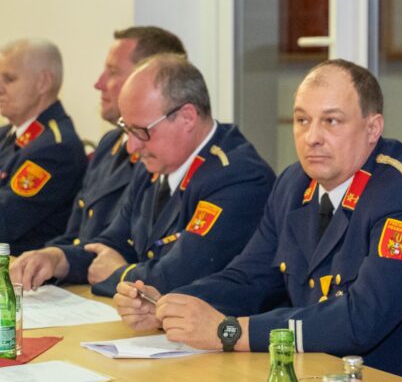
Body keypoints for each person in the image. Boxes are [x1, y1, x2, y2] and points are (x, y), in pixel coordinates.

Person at [113, 60, 402, 382]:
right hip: (320, 368)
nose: (312, 138)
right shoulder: (294, 184)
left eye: (331, 121)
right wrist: (170, 305)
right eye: (302, 120)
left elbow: (359, 319)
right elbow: (250, 278)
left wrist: (229, 331)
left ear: (372, 128)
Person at [11, 53, 275, 297]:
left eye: (141, 131)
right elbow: (112, 242)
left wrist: (121, 274)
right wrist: (59, 259)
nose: (131, 146)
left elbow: (178, 276)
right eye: (127, 130)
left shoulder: (237, 177)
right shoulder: (156, 162)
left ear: (187, 117)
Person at [16, 28, 187, 266]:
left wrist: (60, 260)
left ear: (145, 81)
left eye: (113, 72)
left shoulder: (164, 156)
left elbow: (125, 249)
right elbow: (76, 235)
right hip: (83, 277)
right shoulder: (110, 144)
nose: (99, 83)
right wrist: (49, 257)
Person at [0, 39, 87, 254]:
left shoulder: (56, 148)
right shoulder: (8, 134)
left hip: (18, 267)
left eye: (9, 79)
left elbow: (5, 222)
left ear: (43, 83)